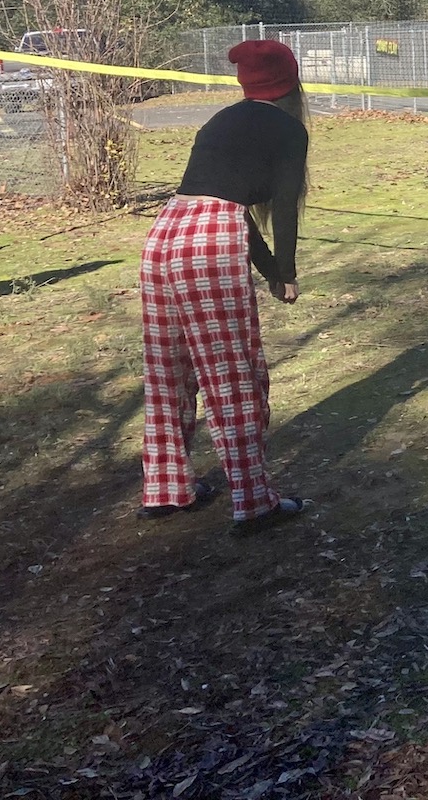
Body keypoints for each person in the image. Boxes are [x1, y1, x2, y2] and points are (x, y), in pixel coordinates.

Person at [139, 39, 309, 534]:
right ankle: (255, 503)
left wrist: (269, 272)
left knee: (168, 367)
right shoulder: (288, 128)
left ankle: (167, 489)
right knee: (232, 371)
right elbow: (279, 208)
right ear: (290, 82)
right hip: (210, 243)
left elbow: (222, 199)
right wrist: (287, 272)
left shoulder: (220, 121)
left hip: (165, 233)